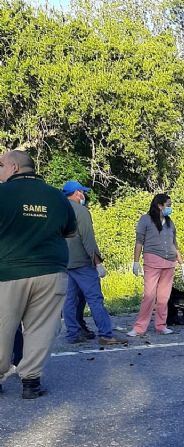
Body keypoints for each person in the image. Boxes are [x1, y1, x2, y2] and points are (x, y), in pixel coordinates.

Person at [0, 150, 77, 399]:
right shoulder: (57, 197)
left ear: (13, 167)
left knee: (3, 326)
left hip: (8, 271)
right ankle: (31, 382)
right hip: (50, 271)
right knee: (41, 328)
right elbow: (69, 233)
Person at [62, 180, 127, 346]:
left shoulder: (57, 210)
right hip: (82, 262)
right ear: (77, 193)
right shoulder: (81, 211)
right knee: (95, 299)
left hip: (63, 262)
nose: (84, 195)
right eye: (82, 192)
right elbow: (88, 238)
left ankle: (73, 334)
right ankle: (106, 334)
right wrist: (98, 262)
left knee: (69, 301)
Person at [128, 193, 184, 337]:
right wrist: (135, 262)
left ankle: (161, 325)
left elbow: (174, 244)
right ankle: (139, 328)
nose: (170, 208)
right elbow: (139, 241)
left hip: (169, 262)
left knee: (163, 297)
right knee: (149, 296)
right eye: (168, 205)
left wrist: (182, 262)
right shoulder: (145, 220)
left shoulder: (169, 222)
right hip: (152, 261)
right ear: (160, 205)